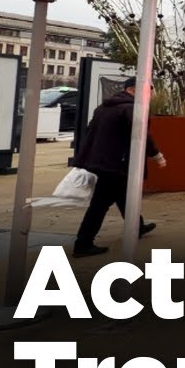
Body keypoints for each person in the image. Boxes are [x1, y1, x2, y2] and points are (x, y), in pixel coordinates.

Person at [71, 77, 165, 258]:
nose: (151, 94)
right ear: (132, 90)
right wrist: (156, 155)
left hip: (104, 162)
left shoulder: (105, 107)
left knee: (124, 197)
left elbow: (91, 132)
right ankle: (83, 244)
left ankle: (137, 226)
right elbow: (141, 134)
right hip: (116, 164)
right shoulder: (130, 109)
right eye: (148, 90)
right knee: (99, 205)